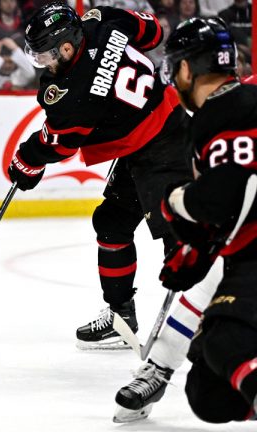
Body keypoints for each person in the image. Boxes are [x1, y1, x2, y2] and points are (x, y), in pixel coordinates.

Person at [6, 3, 190, 349]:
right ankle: (121, 316)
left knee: (179, 234)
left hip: (165, 147)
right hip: (154, 132)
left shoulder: (75, 93)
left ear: (66, 47)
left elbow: (59, 144)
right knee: (111, 222)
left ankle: (203, 318)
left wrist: (26, 161)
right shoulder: (102, 19)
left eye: (45, 55)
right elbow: (153, 32)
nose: (43, 63)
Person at [150, 17, 257, 424]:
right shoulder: (236, 107)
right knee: (209, 393)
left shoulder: (219, 117)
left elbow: (228, 191)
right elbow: (236, 204)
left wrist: (174, 203)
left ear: (186, 69)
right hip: (245, 257)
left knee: (226, 342)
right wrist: (196, 251)